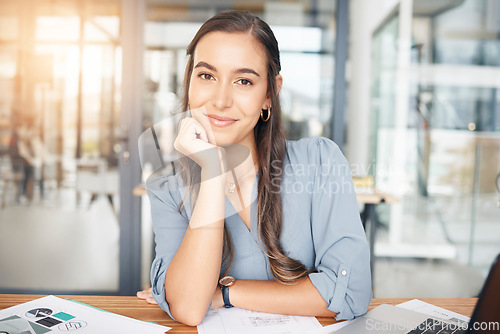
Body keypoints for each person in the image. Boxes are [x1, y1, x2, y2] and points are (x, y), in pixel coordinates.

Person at [137, 10, 372, 326]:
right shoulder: (168, 190)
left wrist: (226, 294)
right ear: (189, 81)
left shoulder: (320, 162)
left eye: (243, 81)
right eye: (207, 75)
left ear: (268, 95)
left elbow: (350, 294)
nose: (220, 100)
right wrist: (211, 171)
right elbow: (190, 308)